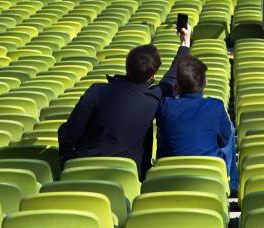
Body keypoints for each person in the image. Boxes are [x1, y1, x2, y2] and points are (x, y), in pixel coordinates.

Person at [58, 25, 192, 180]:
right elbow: (171, 79)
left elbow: (68, 132)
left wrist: (66, 161)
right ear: (152, 77)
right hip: (127, 178)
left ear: (127, 67)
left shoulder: (96, 91)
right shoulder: (153, 99)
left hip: (80, 173)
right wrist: (185, 43)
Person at [155, 55, 238, 191]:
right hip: (209, 173)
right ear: (205, 82)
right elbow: (224, 141)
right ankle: (231, 183)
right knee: (229, 128)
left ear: (176, 86)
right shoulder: (215, 106)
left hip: (169, 172)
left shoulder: (165, 105)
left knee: (162, 129)